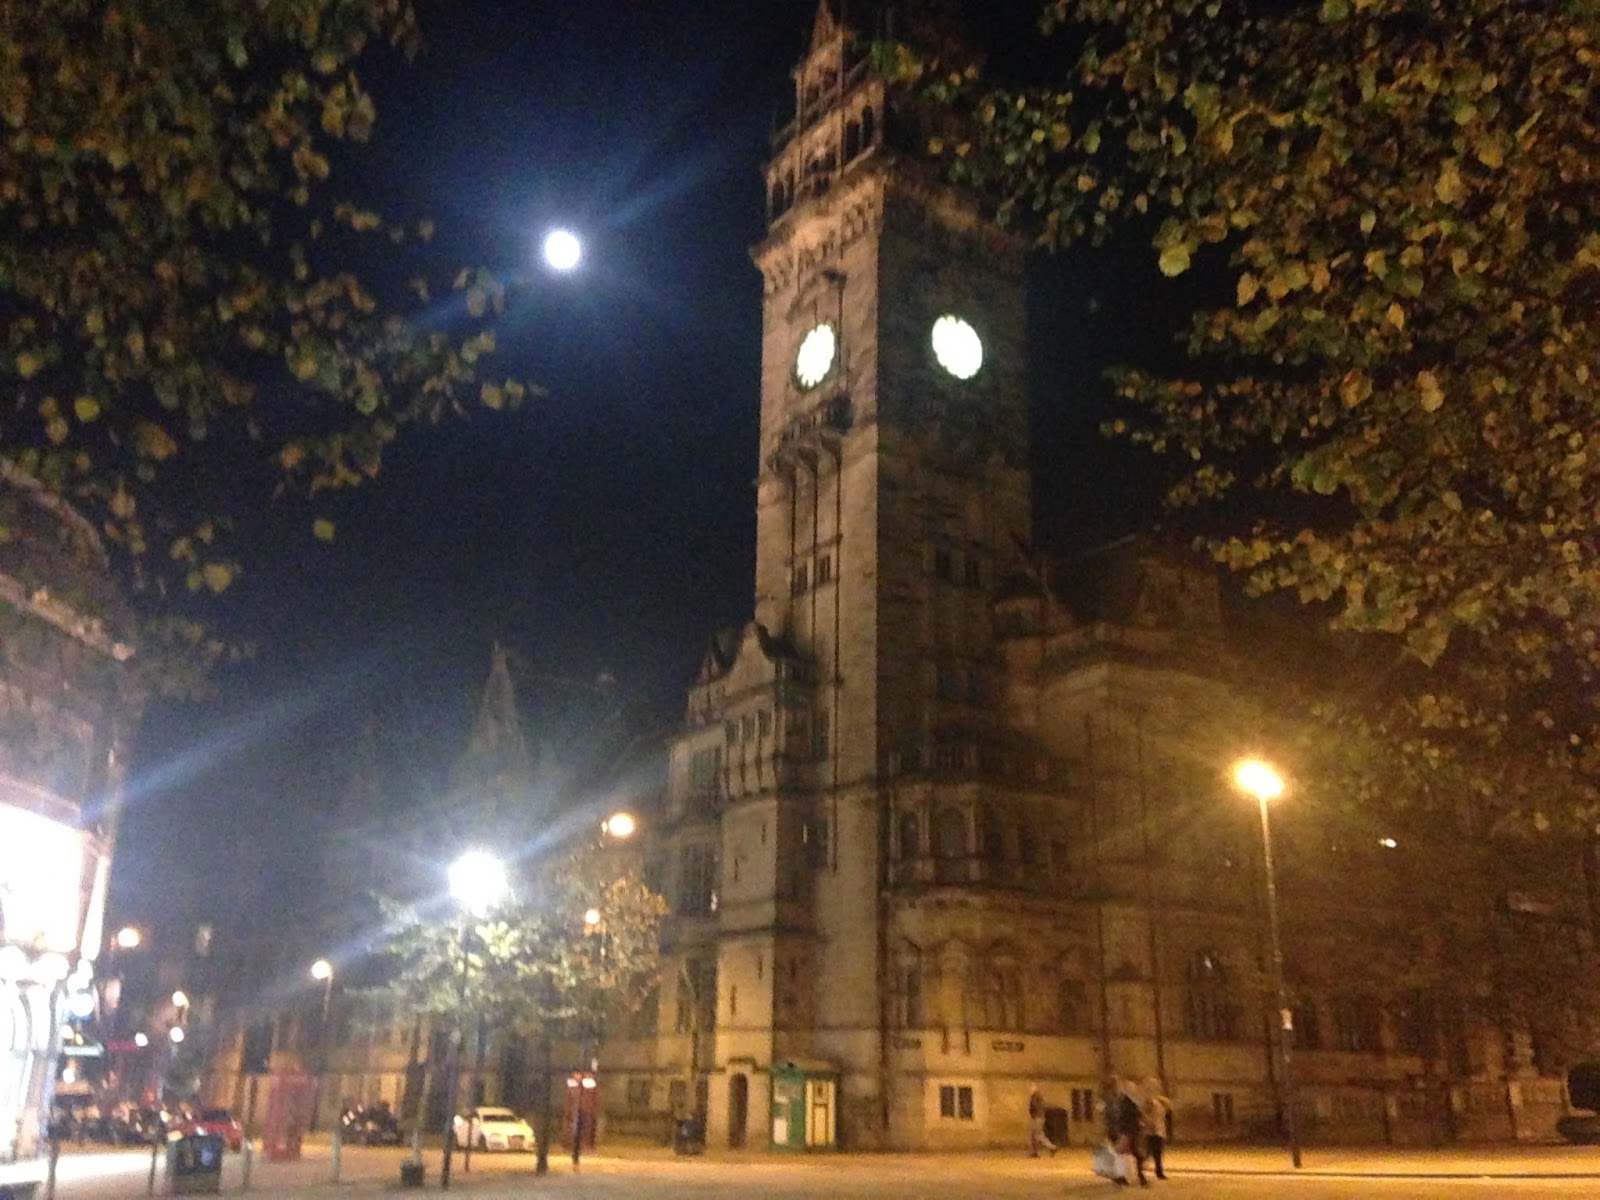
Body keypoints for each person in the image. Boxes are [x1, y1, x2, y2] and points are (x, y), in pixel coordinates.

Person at [1105, 1078, 1149, 1187]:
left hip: (1129, 1131)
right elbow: (1126, 1117)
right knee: (1127, 1154)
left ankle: (1129, 1177)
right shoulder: (1127, 1103)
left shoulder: (1129, 1102)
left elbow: (1129, 1117)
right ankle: (1135, 1176)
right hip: (1129, 1131)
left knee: (1127, 1154)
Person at [1141, 1080, 1172, 1181]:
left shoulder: (1159, 1101)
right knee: (1150, 1152)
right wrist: (1149, 1124)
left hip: (1159, 1130)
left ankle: (1159, 1172)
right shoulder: (1149, 1101)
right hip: (1152, 1131)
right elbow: (1144, 1114)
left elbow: (1169, 1108)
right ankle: (1139, 1168)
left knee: (1157, 1153)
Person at [1027, 1084, 1056, 1157]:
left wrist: (1034, 1113)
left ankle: (1052, 1147)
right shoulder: (1038, 1097)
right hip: (1038, 1117)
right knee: (1033, 1136)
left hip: (1038, 1118)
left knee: (1038, 1135)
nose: (1029, 1091)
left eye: (1031, 1089)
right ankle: (1034, 1152)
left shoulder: (1035, 1097)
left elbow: (1035, 1107)